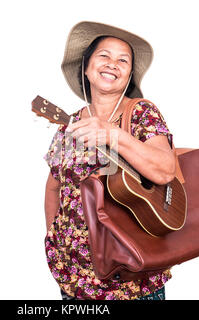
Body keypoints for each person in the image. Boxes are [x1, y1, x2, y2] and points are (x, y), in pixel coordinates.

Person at [43, 21, 176, 300]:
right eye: (104, 56)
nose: (112, 63)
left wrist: (113, 134)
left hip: (132, 280)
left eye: (123, 60)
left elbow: (165, 171)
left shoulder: (141, 114)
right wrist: (57, 241)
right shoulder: (69, 125)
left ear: (129, 74)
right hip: (76, 278)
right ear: (87, 67)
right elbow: (54, 188)